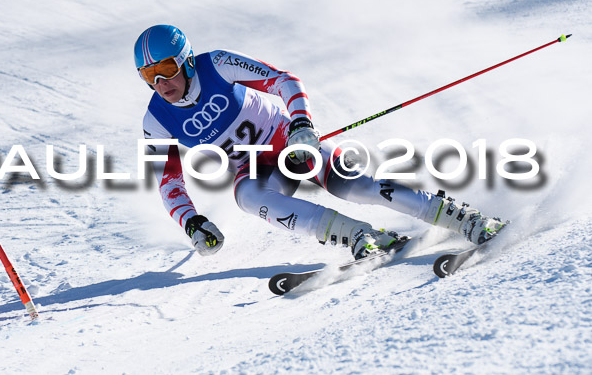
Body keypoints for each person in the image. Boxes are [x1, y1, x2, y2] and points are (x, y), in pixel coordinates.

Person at [135, 24, 506, 258]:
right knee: (248, 197)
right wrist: (192, 223)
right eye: (149, 75)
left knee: (356, 187)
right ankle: (357, 235)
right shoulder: (157, 120)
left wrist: (301, 124)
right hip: (257, 165)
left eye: (166, 68)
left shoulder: (216, 63)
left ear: (186, 61)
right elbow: (168, 182)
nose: (161, 83)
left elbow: (284, 80)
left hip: (289, 137)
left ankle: (463, 218)